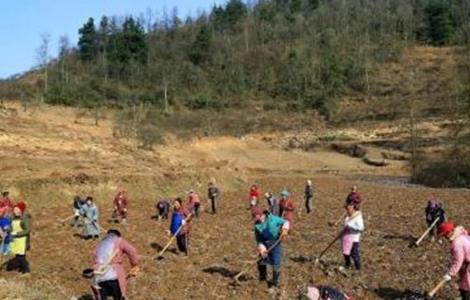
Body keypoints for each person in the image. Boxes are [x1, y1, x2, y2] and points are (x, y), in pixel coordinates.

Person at [89, 229, 140, 300]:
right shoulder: (119, 240)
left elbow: (94, 258)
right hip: (113, 274)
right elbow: (132, 251)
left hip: (98, 276)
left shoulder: (100, 244)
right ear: (118, 235)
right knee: (118, 297)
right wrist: (135, 265)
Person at [254, 210, 289, 291]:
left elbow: (286, 222)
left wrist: (284, 230)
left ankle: (274, 283)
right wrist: (262, 249)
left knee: (276, 263)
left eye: (260, 216)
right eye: (257, 218)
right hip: (264, 245)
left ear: (263, 214)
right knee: (261, 261)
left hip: (275, 244)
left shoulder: (273, 219)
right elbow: (258, 239)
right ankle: (262, 279)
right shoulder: (257, 225)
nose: (259, 219)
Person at [436, 221, 470, 300]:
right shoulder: (462, 234)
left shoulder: (457, 244)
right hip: (467, 262)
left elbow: (458, 260)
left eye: (444, 234)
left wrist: (450, 274)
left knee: (465, 286)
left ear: (449, 233)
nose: (444, 237)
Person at [7, 201, 31, 274]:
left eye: (17, 210)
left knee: (21, 256)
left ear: (21, 211)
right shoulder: (12, 218)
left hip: (22, 240)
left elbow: (27, 230)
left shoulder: (24, 219)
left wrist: (17, 233)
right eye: (15, 209)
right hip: (15, 240)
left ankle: (26, 271)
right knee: (17, 254)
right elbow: (11, 227)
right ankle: (21, 268)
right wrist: (8, 230)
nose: (15, 211)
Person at [341, 202, 364, 271]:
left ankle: (358, 268)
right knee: (346, 253)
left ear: (353, 208)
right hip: (346, 238)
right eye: (346, 209)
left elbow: (361, 228)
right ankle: (347, 265)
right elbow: (345, 226)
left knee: (354, 254)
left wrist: (350, 226)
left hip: (354, 239)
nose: (347, 210)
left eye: (348, 209)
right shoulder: (348, 217)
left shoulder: (358, 217)